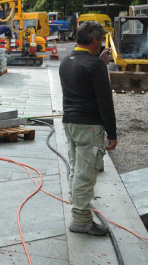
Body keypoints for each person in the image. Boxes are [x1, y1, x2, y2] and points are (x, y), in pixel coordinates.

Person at [59, 20, 117, 236]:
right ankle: (81, 220)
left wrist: (99, 63)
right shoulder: (95, 66)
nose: (101, 45)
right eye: (100, 40)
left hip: (70, 124)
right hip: (89, 127)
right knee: (87, 173)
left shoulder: (66, 61)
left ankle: (77, 206)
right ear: (94, 41)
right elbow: (104, 102)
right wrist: (112, 134)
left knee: (76, 168)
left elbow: (82, 76)